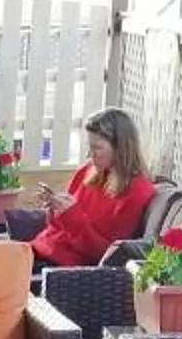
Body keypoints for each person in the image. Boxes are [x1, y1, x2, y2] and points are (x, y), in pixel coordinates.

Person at [29, 109, 159, 271]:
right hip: (38, 251)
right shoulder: (87, 172)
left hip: (62, 268)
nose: (90, 154)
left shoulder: (136, 190)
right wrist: (54, 209)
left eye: (96, 148)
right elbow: (56, 228)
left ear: (120, 148)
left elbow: (105, 255)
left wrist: (71, 216)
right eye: (89, 146)